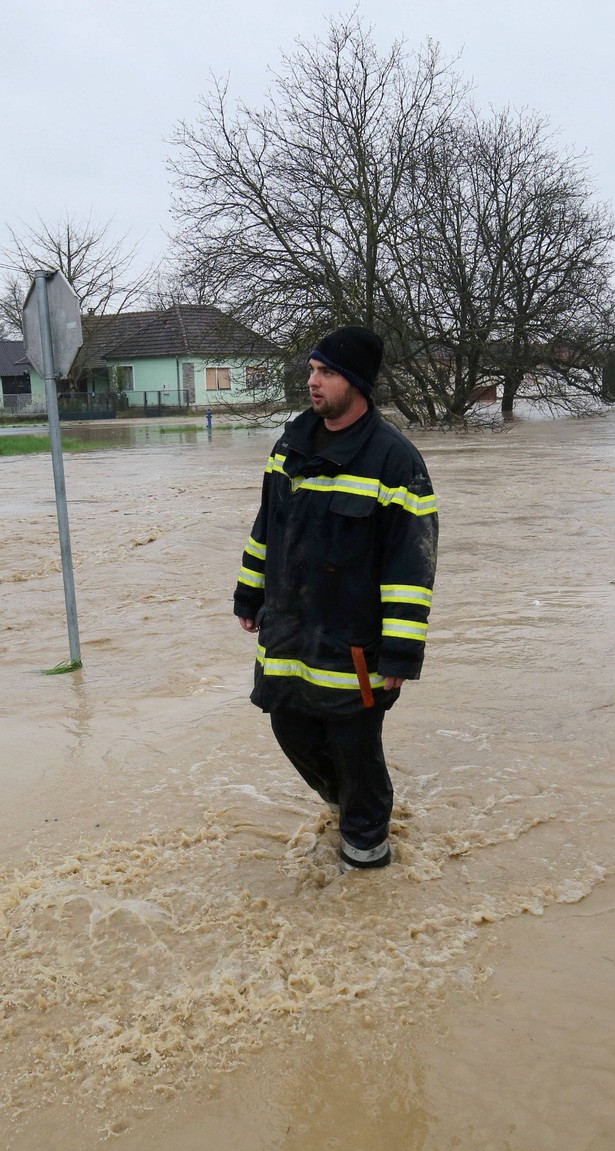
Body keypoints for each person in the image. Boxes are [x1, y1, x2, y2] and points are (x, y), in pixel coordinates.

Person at [232, 327, 438, 870]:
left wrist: (400, 652)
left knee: (355, 749)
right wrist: (248, 594)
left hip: (354, 646)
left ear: (358, 383)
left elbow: (411, 565)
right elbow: (266, 527)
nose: (312, 382)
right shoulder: (290, 445)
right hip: (289, 631)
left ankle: (367, 861)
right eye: (311, 370)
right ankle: (345, 809)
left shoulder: (396, 461)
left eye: (325, 372)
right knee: (287, 723)